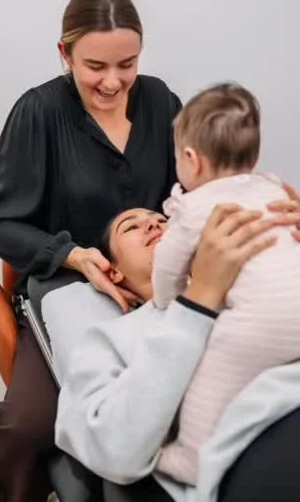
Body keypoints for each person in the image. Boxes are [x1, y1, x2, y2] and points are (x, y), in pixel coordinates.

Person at [0, 0, 182, 502]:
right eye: (95, 66)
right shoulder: (39, 113)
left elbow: (195, 191)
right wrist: (73, 256)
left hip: (157, 290)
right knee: (26, 426)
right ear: (65, 53)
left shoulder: (161, 102)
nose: (113, 82)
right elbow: (3, 226)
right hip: (66, 291)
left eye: (127, 64)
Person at [45, 194, 300, 502]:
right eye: (131, 227)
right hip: (260, 451)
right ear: (113, 272)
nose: (153, 225)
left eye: (162, 220)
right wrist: (198, 300)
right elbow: (113, 447)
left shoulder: (265, 291)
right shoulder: (110, 340)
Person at [150, 83, 300, 484]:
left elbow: (166, 270)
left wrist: (166, 302)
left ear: (191, 160)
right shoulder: (273, 189)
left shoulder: (194, 206)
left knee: (212, 373)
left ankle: (192, 454)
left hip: (260, 324)